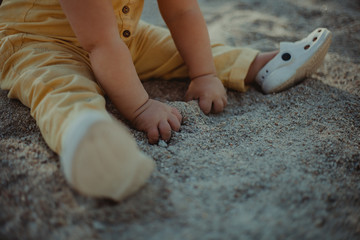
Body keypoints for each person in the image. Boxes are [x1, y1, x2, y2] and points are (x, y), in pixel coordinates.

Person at [0, 0, 332, 201]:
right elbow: (99, 44)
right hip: (39, 40)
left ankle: (262, 65)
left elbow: (183, 11)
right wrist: (141, 107)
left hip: (121, 36)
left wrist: (203, 74)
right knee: (58, 86)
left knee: (180, 49)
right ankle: (84, 136)